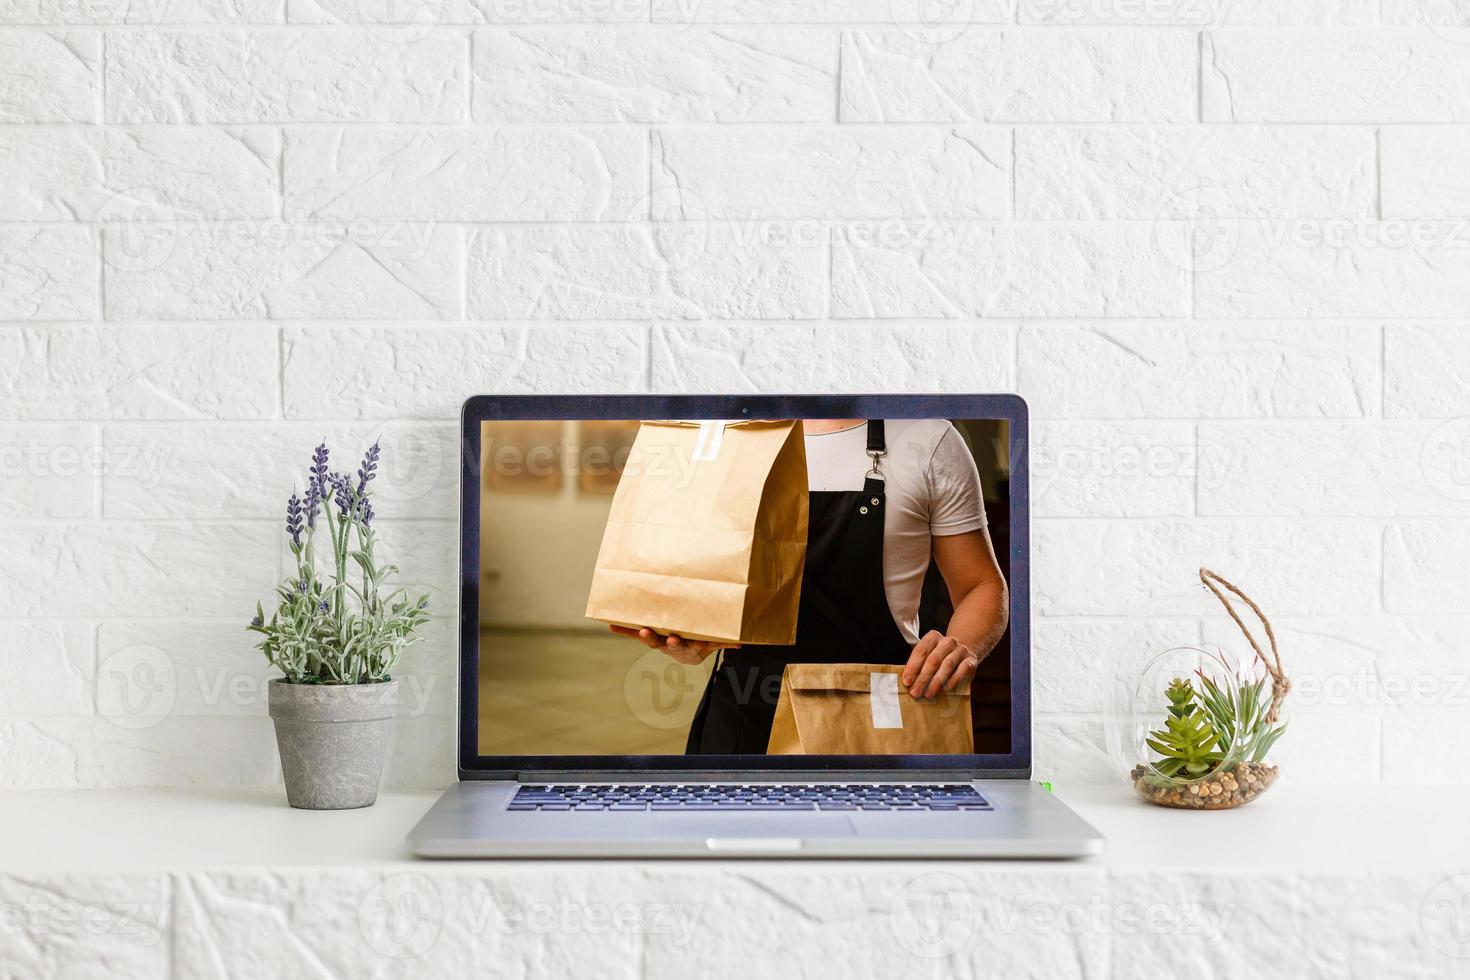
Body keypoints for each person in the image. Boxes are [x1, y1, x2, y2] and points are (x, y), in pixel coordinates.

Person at [609, 418, 1009, 755]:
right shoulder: (723, 437)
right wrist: (688, 635)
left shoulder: (928, 440)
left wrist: (965, 646)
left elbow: (981, 585)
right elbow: (695, 579)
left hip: (874, 718)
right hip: (743, 716)